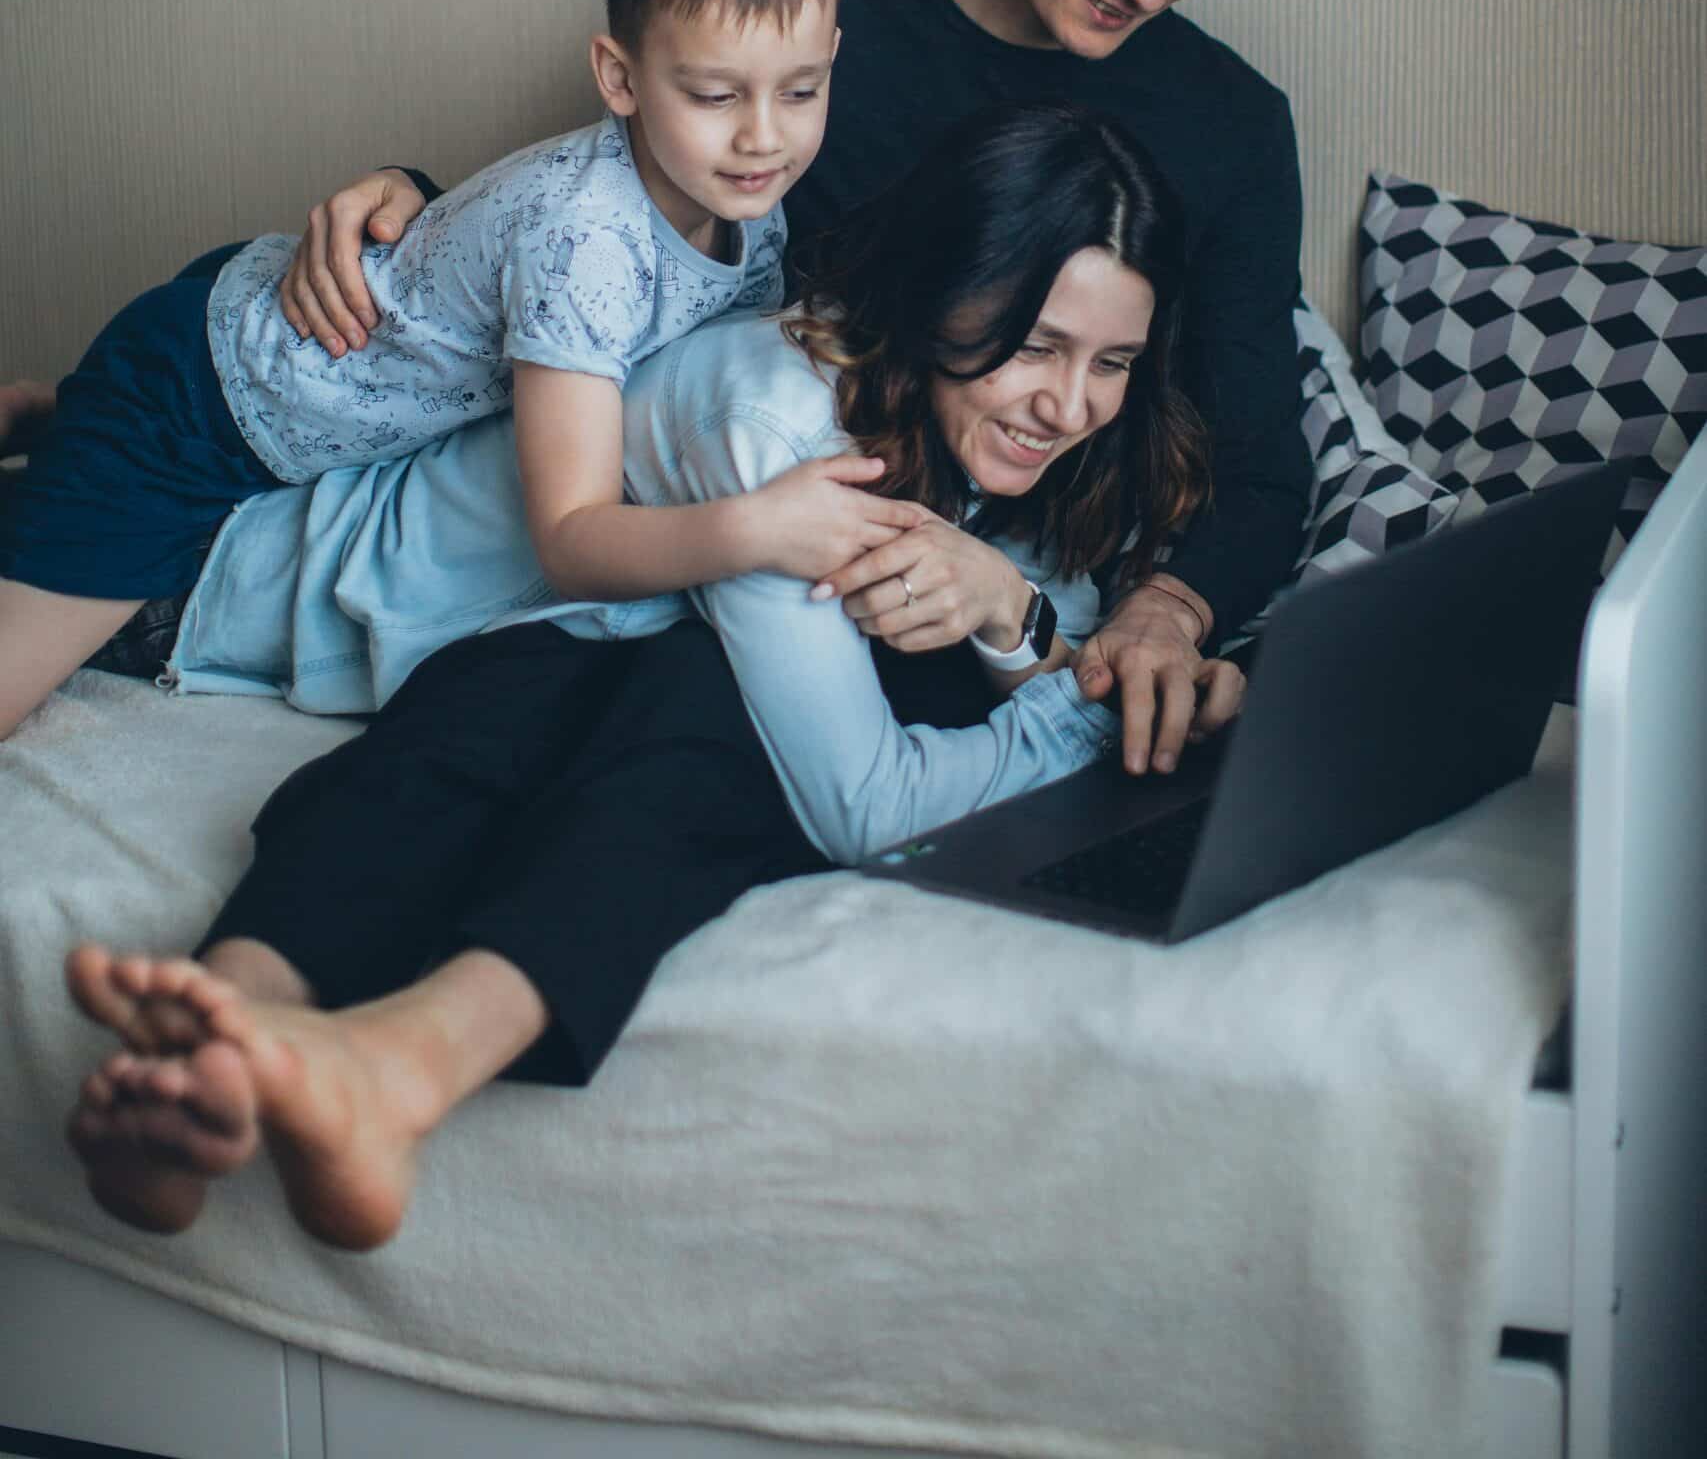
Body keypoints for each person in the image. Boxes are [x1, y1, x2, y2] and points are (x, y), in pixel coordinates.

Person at [65, 104, 1237, 1252]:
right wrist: (1083, 720)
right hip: (210, 571)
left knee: (652, 693)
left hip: (519, 646)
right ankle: (265, 1040)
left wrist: (1016, 611)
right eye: (1035, 345)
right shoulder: (774, 418)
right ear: (942, 289)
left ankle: (243, 1046)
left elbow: (1061, 609)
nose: (1068, 404)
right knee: (661, 705)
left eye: (1113, 361)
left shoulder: (1023, 440)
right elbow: (863, 802)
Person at [280, 0, 1308, 760]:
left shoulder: (1234, 128)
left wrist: (1165, 613)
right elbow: (611, 216)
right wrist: (414, 205)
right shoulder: (821, 14)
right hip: (757, 547)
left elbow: (1263, 469)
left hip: (984, 594)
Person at [0, 0, 914, 739]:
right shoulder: (584, 242)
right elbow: (570, 539)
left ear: (833, 56)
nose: (764, 137)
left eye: (800, 89)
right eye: (716, 96)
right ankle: (84, 415)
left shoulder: (749, 200)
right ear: (619, 78)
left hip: (290, 352)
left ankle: (52, 411)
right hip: (204, 402)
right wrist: (755, 528)